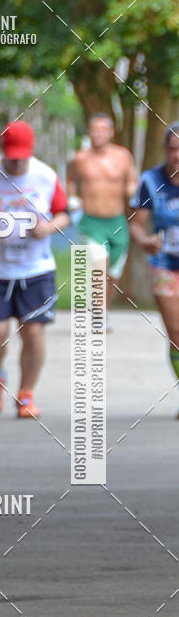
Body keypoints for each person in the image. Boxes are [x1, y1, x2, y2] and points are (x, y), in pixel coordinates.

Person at [0, 120, 70, 418]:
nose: (16, 161)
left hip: (35, 268)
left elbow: (64, 215)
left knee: (33, 332)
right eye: (11, 155)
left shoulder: (45, 175)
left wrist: (49, 227)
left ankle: (26, 395)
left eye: (22, 156)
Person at [130, 122, 179, 416]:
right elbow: (135, 224)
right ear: (165, 150)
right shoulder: (151, 180)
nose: (177, 155)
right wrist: (145, 240)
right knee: (176, 333)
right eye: (172, 149)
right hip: (164, 264)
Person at [67, 113, 138, 315]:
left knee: (113, 274)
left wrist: (132, 190)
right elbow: (71, 181)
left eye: (102, 129)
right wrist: (73, 199)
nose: (97, 134)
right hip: (91, 222)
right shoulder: (80, 158)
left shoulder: (123, 156)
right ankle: (98, 315)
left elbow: (132, 180)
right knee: (100, 266)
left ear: (110, 132)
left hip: (116, 222)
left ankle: (102, 312)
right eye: (94, 129)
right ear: (89, 131)